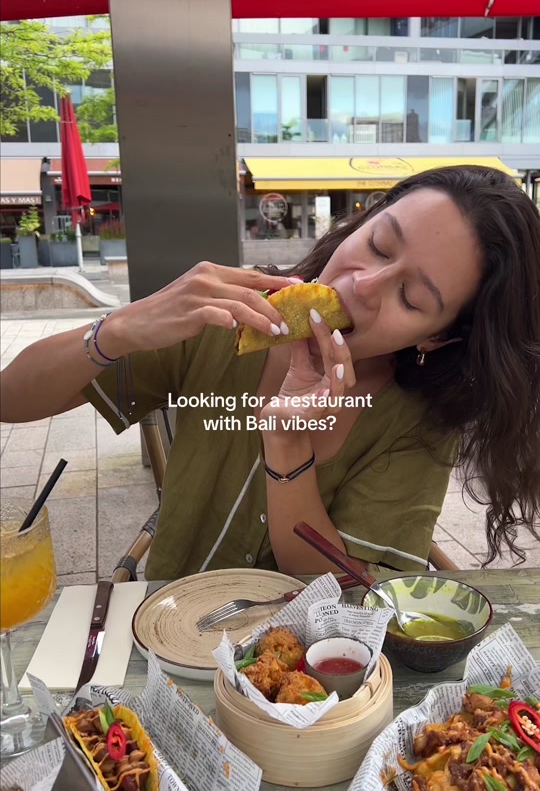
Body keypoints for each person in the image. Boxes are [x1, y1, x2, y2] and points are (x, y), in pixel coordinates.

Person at [2, 166, 539, 581]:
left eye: (411, 297)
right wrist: (119, 328)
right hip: (162, 630)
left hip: (302, 672)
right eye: (378, 245)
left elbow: (349, 593)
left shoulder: (419, 422)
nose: (363, 285)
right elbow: (11, 399)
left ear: (437, 338)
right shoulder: (227, 315)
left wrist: (286, 443)